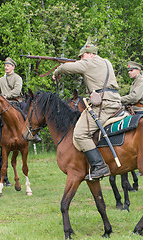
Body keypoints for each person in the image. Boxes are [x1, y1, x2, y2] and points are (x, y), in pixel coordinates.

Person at [53, 37, 122, 180]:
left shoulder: (88, 63)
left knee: (79, 134)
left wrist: (57, 71)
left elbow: (66, 68)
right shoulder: (106, 62)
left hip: (104, 105)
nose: (81, 59)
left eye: (82, 56)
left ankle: (99, 166)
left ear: (90, 54)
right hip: (115, 102)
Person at [0, 57, 41, 149]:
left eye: (8, 66)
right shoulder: (1, 80)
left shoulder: (17, 78)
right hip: (4, 105)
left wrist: (6, 96)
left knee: (28, 114)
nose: (6, 67)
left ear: (13, 67)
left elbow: (17, 91)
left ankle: (34, 135)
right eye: (5, 66)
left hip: (16, 102)